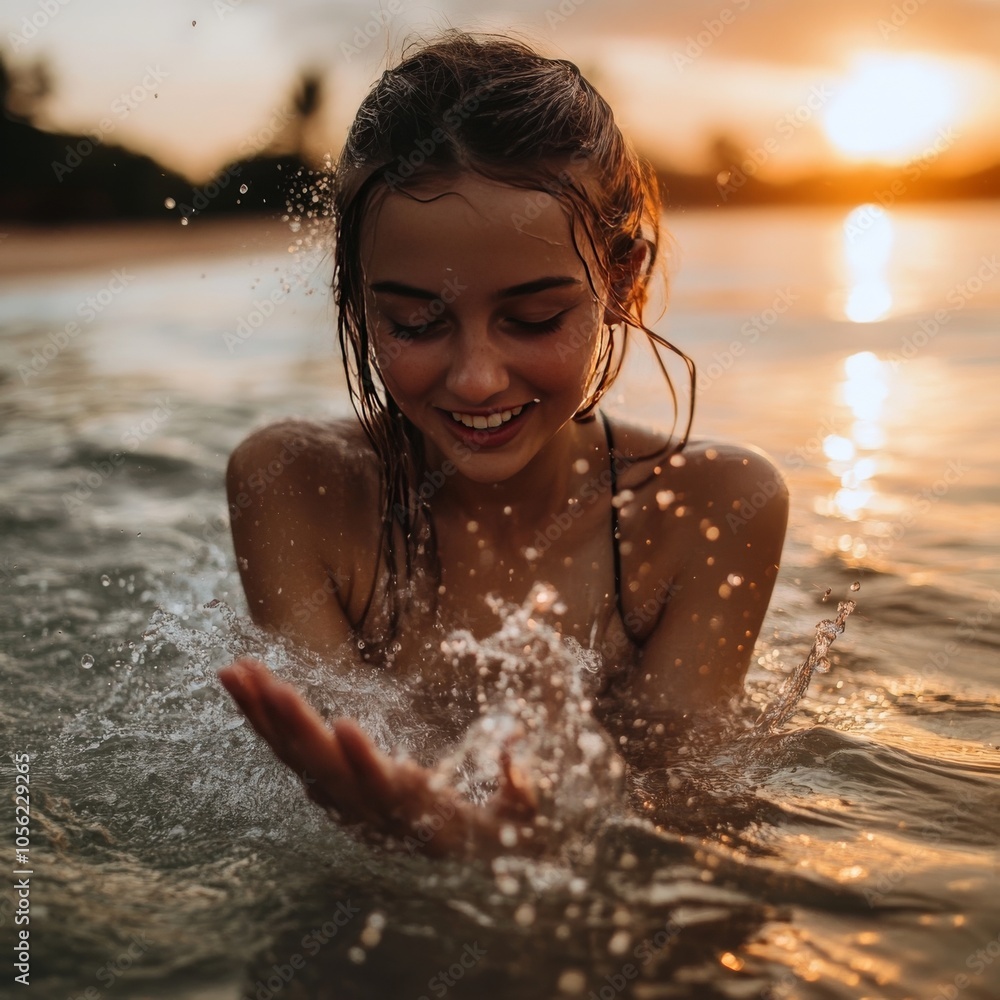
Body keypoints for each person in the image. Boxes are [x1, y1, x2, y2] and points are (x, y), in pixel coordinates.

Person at [218, 32, 788, 858]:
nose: (478, 379)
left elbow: (681, 821)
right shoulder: (292, 486)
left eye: (534, 318)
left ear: (621, 281)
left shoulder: (715, 508)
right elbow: (340, 791)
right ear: (356, 301)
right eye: (415, 323)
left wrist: (535, 853)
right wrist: (431, 843)